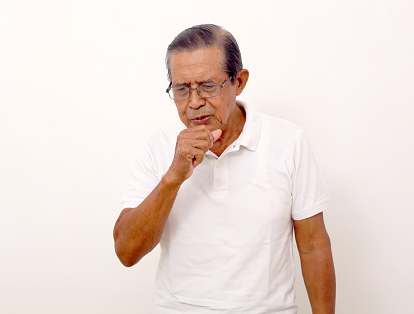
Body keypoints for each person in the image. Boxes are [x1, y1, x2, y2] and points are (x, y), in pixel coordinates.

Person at [113, 24, 336, 314]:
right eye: (182, 89)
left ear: (239, 81)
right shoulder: (155, 147)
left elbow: (313, 246)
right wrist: (173, 178)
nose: (194, 103)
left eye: (208, 86)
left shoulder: (288, 141)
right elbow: (126, 252)